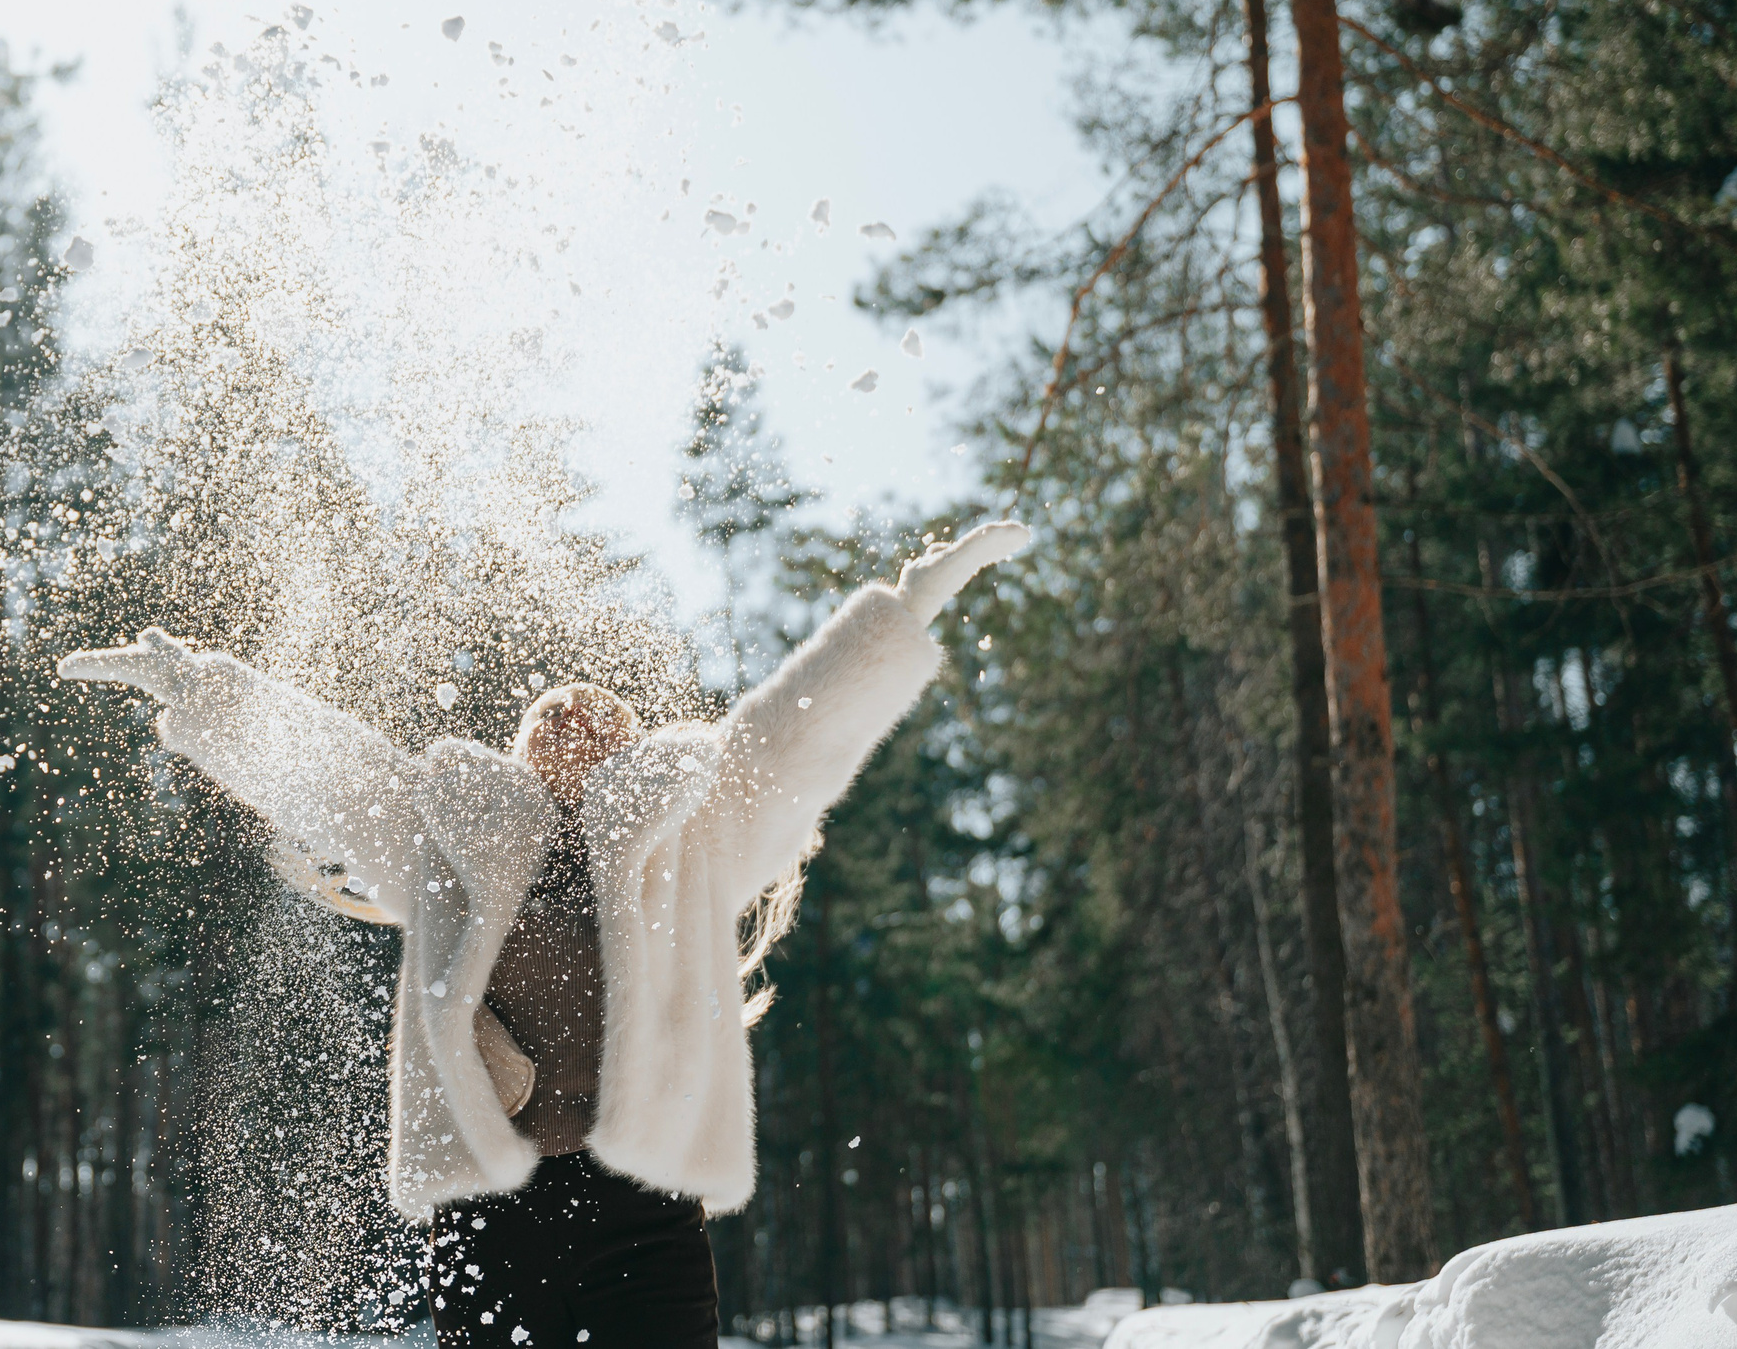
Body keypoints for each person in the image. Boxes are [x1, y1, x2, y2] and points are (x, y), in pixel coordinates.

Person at [58, 519, 1031, 1348]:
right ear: (518, 757)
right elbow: (335, 771)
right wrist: (197, 687)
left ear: (629, 757)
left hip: (642, 1209)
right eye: (546, 713)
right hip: (491, 1209)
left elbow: (790, 737)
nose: (571, 709)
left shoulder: (688, 848)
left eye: (597, 710)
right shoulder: (452, 844)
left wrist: (905, 608)